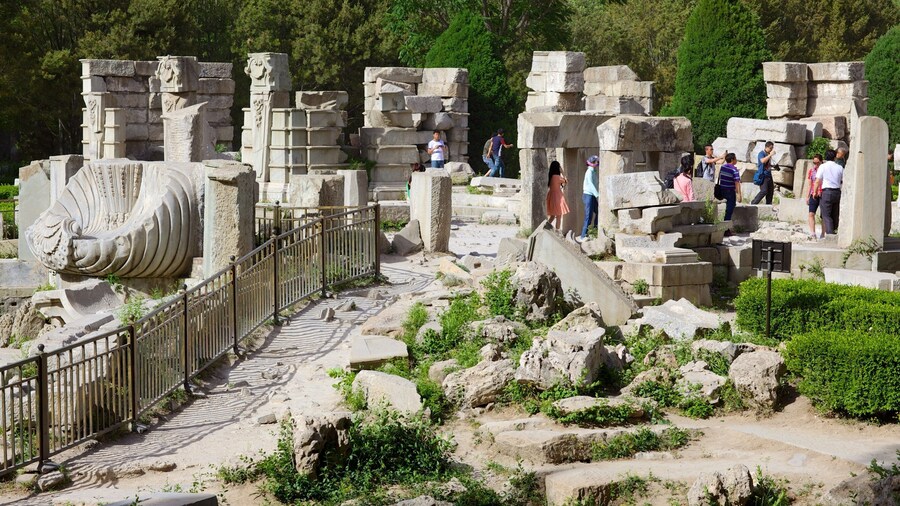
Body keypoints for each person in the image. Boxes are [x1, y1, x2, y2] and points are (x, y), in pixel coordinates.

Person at [814, 149, 844, 235]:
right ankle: (835, 231)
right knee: (835, 214)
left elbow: (817, 181)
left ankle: (830, 235)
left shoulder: (823, 167)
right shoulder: (840, 167)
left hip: (827, 192)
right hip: (837, 192)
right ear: (835, 157)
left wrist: (815, 192)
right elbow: (843, 180)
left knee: (826, 215)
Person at [579, 155, 600, 241]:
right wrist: (597, 194)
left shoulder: (594, 171)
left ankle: (595, 230)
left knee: (598, 212)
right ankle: (583, 235)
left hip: (592, 195)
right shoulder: (589, 172)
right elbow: (590, 184)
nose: (598, 163)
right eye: (596, 161)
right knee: (588, 216)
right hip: (588, 195)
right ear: (592, 163)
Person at [718, 153, 743, 224]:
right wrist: (739, 194)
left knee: (727, 208)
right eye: (735, 158)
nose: (736, 160)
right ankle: (726, 225)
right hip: (730, 191)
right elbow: (737, 182)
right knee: (730, 209)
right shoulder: (734, 169)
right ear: (732, 160)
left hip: (722, 189)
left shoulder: (723, 167)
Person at [546, 161, 570, 230]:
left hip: (551, 195)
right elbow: (566, 181)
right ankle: (557, 231)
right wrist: (563, 172)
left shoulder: (550, 176)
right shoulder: (557, 177)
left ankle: (545, 228)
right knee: (559, 216)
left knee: (553, 216)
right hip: (557, 197)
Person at [806, 154, 823, 238]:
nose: (816, 164)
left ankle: (823, 234)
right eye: (814, 163)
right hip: (813, 194)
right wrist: (807, 196)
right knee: (811, 213)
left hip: (822, 194)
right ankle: (813, 233)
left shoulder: (824, 170)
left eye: (817, 163)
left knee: (824, 215)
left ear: (821, 162)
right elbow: (809, 184)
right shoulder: (811, 171)